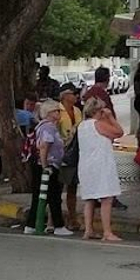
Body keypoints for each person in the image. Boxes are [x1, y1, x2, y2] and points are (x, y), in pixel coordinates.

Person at [78, 97, 125, 241]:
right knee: (107, 198)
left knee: (89, 198)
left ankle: (88, 229)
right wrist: (110, 117)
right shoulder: (98, 125)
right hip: (101, 165)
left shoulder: (82, 125)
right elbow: (119, 132)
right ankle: (107, 232)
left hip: (86, 165)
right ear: (99, 110)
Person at [28, 100, 73, 236]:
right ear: (49, 113)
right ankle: (58, 225)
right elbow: (44, 147)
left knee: (40, 196)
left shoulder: (44, 127)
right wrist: (45, 166)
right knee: (54, 196)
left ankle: (31, 224)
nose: (59, 113)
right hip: (48, 166)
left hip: (45, 165)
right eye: (56, 111)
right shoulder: (49, 128)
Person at [53, 84, 84, 231]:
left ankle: (73, 218)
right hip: (61, 152)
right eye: (73, 93)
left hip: (75, 153)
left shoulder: (77, 111)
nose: (76, 96)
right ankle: (54, 219)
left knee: (72, 187)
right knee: (58, 188)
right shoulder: (57, 111)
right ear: (65, 95)